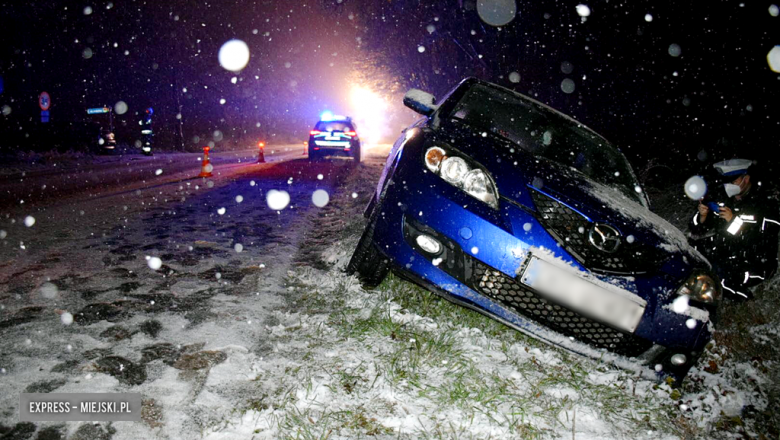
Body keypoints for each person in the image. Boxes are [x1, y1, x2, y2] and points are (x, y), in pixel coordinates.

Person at [689, 159, 780, 300]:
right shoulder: (726, 199)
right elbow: (697, 230)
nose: (729, 185)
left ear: (746, 178)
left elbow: (760, 241)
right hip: (728, 252)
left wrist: (733, 221)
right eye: (726, 181)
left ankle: (746, 301)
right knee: (688, 250)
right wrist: (703, 216)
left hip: (756, 263)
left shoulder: (765, 204)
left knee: (718, 276)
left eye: (733, 180)